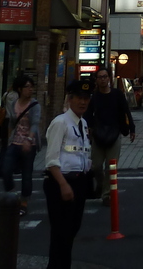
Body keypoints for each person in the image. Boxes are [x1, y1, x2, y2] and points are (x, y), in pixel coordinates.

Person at [43, 79, 93, 269]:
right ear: (70, 99)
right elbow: (51, 159)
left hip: (79, 182)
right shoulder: (60, 123)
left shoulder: (82, 123)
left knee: (72, 230)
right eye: (79, 98)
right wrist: (63, 184)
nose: (83, 102)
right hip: (60, 182)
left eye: (86, 98)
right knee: (61, 233)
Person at [84, 67, 135, 203]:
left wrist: (131, 128)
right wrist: (88, 129)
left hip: (114, 133)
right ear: (97, 80)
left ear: (109, 78)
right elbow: (88, 114)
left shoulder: (117, 94)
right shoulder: (94, 96)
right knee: (96, 166)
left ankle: (106, 195)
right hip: (98, 134)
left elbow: (125, 111)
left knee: (111, 166)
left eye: (105, 76)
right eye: (100, 77)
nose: (103, 79)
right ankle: (101, 185)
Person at [0, 74, 42, 216]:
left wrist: (29, 141)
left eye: (31, 87)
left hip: (30, 144)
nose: (30, 90)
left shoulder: (35, 105)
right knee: (6, 170)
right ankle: (12, 193)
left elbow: (35, 124)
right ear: (19, 89)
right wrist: (8, 141)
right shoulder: (14, 104)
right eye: (27, 87)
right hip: (15, 141)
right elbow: (12, 122)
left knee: (26, 174)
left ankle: (24, 203)